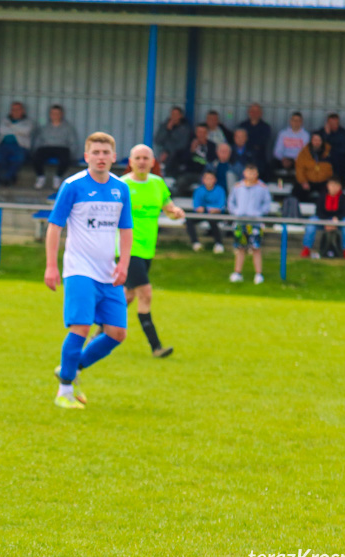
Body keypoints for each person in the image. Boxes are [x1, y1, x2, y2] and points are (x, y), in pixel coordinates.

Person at [44, 132, 132, 409]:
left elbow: (126, 229)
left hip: (109, 272)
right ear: (86, 156)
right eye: (96, 152)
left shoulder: (121, 188)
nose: (101, 157)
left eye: (106, 153)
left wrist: (124, 264)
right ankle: (64, 392)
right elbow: (55, 226)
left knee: (117, 332)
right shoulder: (73, 186)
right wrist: (51, 266)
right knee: (80, 327)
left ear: (114, 157)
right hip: (79, 269)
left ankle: (71, 368)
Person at [121, 144, 185, 358]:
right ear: (130, 161)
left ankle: (100, 331)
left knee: (128, 296)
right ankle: (156, 346)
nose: (141, 161)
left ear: (152, 162)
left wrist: (175, 212)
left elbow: (168, 206)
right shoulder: (122, 185)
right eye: (137, 158)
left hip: (148, 248)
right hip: (128, 248)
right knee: (145, 293)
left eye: (145, 158)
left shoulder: (158, 183)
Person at [228, 164, 271, 285]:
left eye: (253, 173)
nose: (251, 175)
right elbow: (231, 202)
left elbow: (267, 204)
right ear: (244, 173)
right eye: (249, 172)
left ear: (257, 174)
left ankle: (258, 274)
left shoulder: (262, 188)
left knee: (256, 248)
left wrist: (258, 213)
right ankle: (237, 272)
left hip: (255, 223)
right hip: (240, 221)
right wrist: (236, 212)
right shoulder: (237, 187)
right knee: (240, 248)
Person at [300, 178, 345, 260]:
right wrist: (326, 222)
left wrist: (337, 219)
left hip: (338, 222)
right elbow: (318, 212)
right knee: (311, 222)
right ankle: (306, 248)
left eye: (336, 185)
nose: (333, 187)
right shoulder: (322, 196)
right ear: (328, 186)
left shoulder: (344, 197)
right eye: (331, 185)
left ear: (340, 187)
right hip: (323, 220)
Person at [32, 104, 78, 190]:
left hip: (62, 147)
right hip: (46, 147)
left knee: (65, 158)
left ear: (61, 114)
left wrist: (72, 154)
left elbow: (73, 142)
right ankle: (41, 177)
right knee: (36, 157)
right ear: (50, 114)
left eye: (57, 113)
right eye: (53, 113)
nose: (55, 115)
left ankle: (58, 177)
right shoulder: (44, 127)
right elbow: (38, 141)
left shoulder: (68, 127)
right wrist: (35, 150)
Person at [0, 101, 35, 186]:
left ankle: (7, 178)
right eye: (13, 109)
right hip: (3, 146)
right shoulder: (5, 120)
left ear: (23, 111)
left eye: (18, 109)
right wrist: (18, 129)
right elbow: (1, 130)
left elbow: (26, 131)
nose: (15, 111)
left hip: (20, 146)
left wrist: (10, 126)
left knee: (19, 158)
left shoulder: (28, 121)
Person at [187, 170, 226, 253]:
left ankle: (219, 244)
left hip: (216, 215)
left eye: (211, 178)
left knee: (212, 219)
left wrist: (207, 209)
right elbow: (197, 207)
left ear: (215, 180)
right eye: (207, 178)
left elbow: (220, 207)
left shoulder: (220, 190)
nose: (209, 180)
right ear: (203, 180)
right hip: (203, 214)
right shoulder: (199, 190)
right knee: (189, 220)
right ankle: (195, 243)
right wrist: (207, 209)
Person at [175, 123, 217, 194]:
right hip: (189, 173)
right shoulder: (189, 144)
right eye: (199, 132)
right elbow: (183, 161)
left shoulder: (211, 145)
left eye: (203, 132)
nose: (201, 135)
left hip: (204, 173)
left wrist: (205, 146)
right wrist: (191, 150)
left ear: (207, 133)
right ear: (196, 133)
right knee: (180, 181)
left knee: (207, 181)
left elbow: (212, 161)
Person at [294, 133, 334, 202]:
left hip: (324, 181)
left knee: (331, 191)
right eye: (315, 140)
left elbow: (335, 168)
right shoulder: (304, 152)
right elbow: (299, 168)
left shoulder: (329, 151)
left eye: (319, 140)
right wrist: (303, 182)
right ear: (311, 141)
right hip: (308, 181)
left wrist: (331, 182)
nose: (317, 142)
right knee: (297, 190)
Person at [154, 106, 191, 176]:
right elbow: (157, 141)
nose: (174, 117)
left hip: (178, 158)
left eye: (176, 115)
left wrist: (168, 152)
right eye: (172, 114)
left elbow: (183, 145)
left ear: (181, 116)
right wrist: (167, 130)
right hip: (162, 156)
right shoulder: (164, 126)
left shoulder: (185, 128)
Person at [237, 103, 272, 175]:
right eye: (252, 111)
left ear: (261, 113)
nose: (254, 113)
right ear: (249, 112)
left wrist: (247, 142)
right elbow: (238, 141)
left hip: (259, 160)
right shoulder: (242, 125)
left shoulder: (265, 127)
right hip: (242, 159)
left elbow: (262, 143)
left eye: (257, 111)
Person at [317, 113, 345, 179]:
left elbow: (344, 149)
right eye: (331, 123)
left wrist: (331, 148)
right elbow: (319, 147)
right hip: (324, 160)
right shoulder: (321, 132)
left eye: (335, 123)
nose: (333, 125)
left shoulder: (343, 133)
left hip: (339, 160)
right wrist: (326, 135)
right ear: (327, 123)